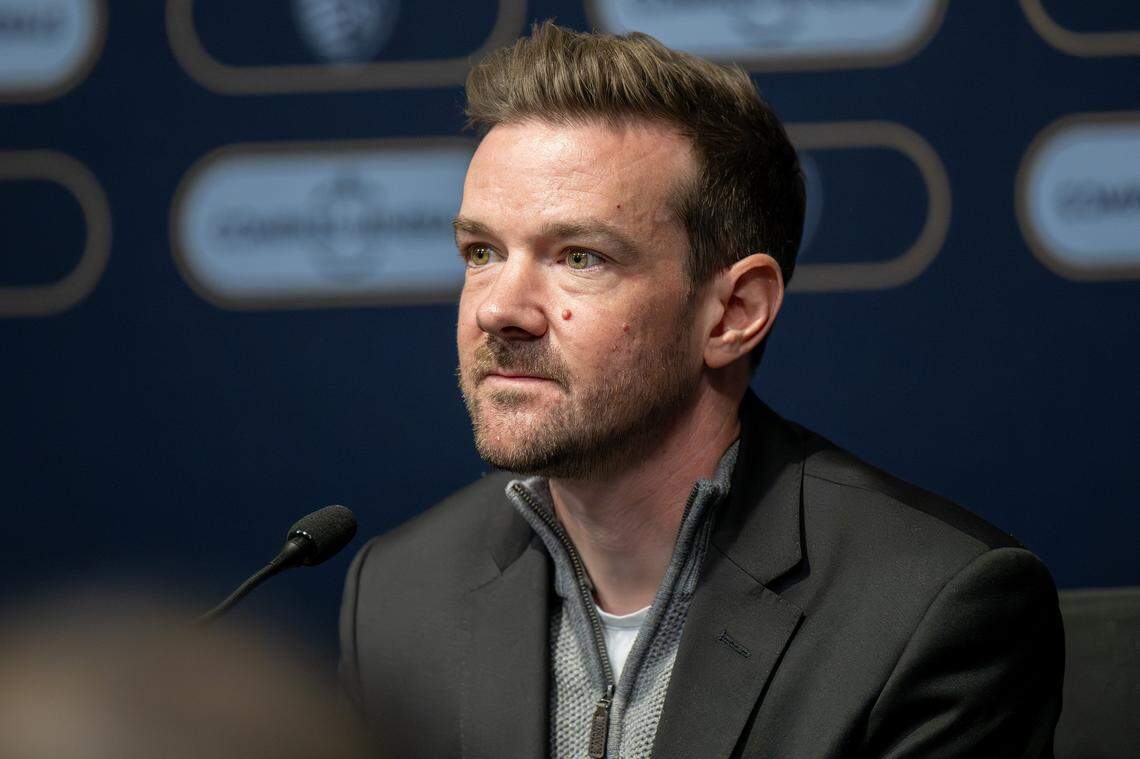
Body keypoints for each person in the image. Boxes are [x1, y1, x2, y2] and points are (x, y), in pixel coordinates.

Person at [339, 21, 1064, 758]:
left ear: (734, 312)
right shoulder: (398, 596)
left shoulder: (927, 610)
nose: (498, 308)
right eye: (483, 251)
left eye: (580, 256)